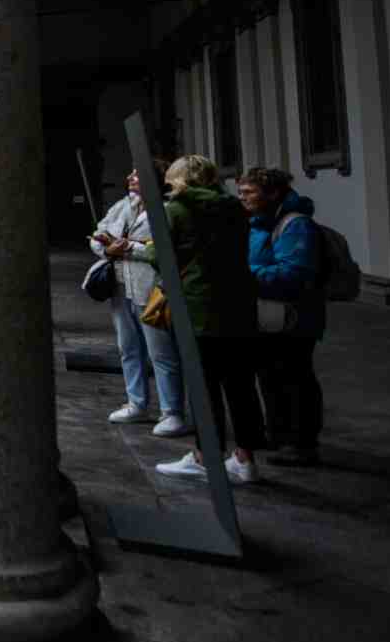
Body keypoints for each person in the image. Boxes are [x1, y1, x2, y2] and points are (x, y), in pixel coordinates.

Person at [150, 155, 266, 484]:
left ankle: (204, 457)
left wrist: (139, 249)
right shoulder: (233, 208)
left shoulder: (177, 210)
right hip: (240, 307)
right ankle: (245, 459)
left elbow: (161, 257)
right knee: (241, 385)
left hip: (199, 309)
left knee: (203, 387)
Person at [90, 166, 188, 437]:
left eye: (136, 174)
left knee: (162, 353)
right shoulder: (123, 206)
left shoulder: (166, 209)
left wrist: (131, 247)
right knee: (128, 347)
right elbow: (99, 233)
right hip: (121, 285)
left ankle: (172, 412)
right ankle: (137, 403)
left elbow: (167, 249)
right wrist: (106, 248)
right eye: (130, 174)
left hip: (151, 288)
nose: (130, 178)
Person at [239, 166, 326, 466]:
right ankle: (278, 434)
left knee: (295, 377)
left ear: (272, 193)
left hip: (295, 317)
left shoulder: (295, 225)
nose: (243, 198)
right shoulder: (260, 223)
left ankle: (302, 443)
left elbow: (294, 272)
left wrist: (244, 275)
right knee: (269, 375)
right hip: (267, 314)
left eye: (249, 192)